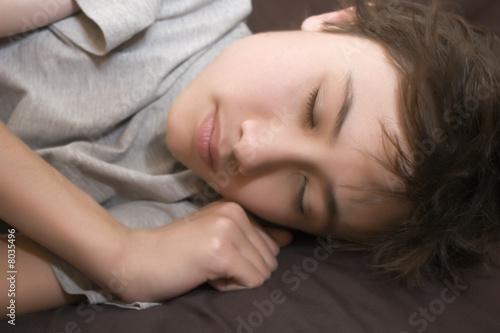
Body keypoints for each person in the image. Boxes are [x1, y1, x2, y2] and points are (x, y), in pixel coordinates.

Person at [0, 0, 498, 318]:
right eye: (312, 108)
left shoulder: (188, 226)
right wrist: (117, 254)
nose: (252, 151)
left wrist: (129, 255)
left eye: (303, 194)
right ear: (337, 22)